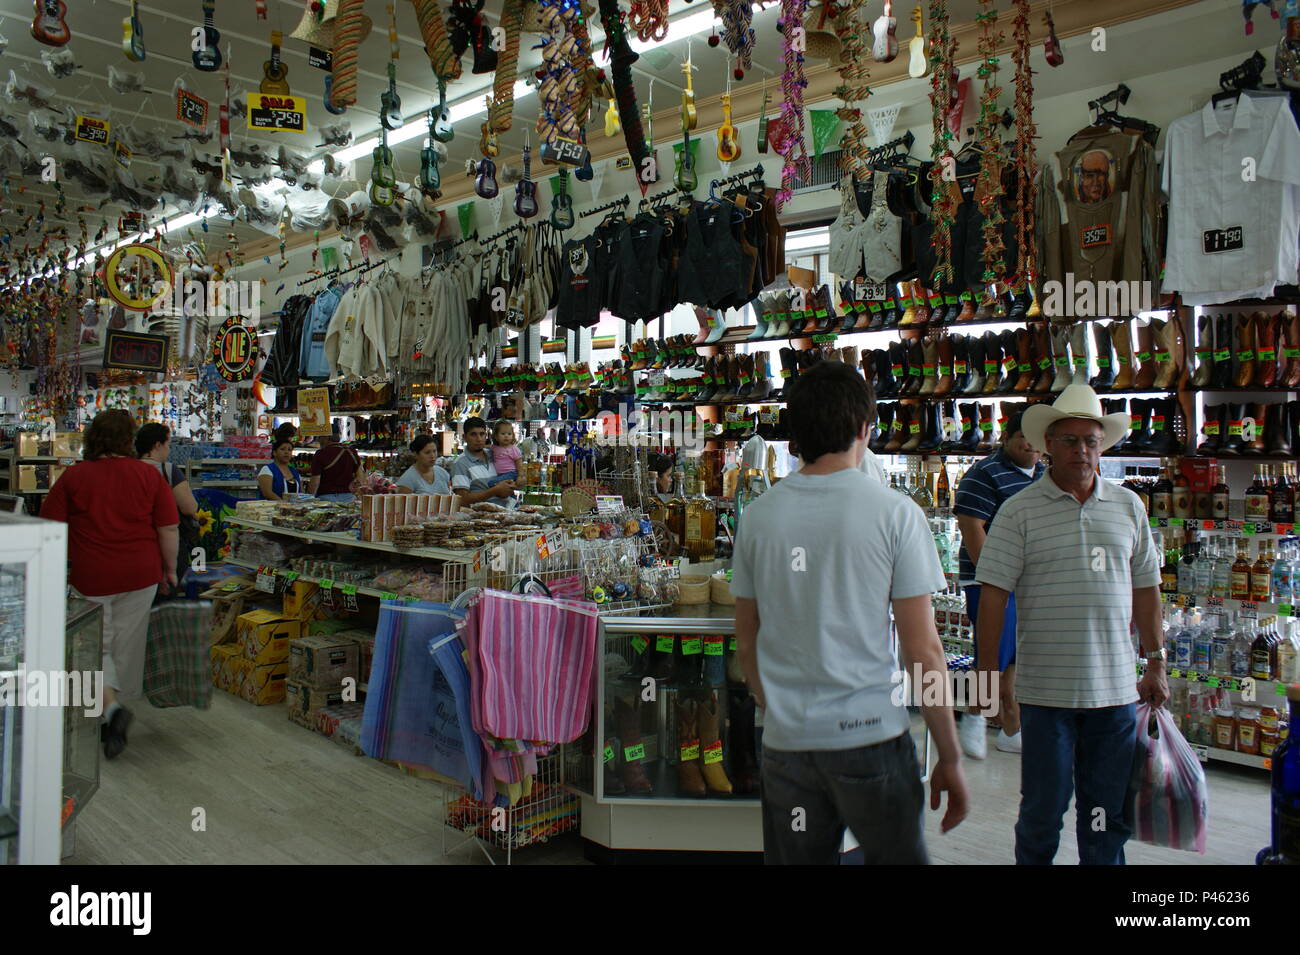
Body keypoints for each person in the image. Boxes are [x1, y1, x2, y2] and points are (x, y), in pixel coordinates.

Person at [730, 361, 968, 864]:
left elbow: (746, 640)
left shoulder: (759, 518)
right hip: (871, 736)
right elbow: (923, 652)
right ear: (864, 428)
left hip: (787, 745)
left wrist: (776, 710)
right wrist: (949, 752)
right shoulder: (896, 514)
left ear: (794, 435)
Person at [974, 384, 1167, 865]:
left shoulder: (1128, 508)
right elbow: (993, 596)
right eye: (1069, 440)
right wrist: (987, 674)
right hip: (1046, 694)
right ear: (1047, 446)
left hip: (1116, 692)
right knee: (1043, 810)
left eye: (1091, 441)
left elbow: (1146, 590)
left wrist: (1156, 662)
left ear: (1101, 446)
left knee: (1106, 816)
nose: (1081, 451)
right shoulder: (1018, 511)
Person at [41, 410, 179, 759]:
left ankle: (110, 710)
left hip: (93, 575)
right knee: (125, 643)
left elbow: (49, 528)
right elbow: (168, 528)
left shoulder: (75, 477)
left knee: (94, 647)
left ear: (92, 439)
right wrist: (171, 570)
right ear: (128, 440)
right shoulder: (148, 476)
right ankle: (111, 709)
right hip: (141, 574)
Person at [952, 410, 1044, 758]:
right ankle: (976, 716)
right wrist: (997, 577)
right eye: (1024, 437)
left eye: (1037, 438)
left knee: (1017, 657)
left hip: (1029, 579)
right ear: (1008, 438)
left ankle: (1011, 726)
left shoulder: (1043, 475)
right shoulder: (984, 473)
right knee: (992, 652)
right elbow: (972, 528)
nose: (1031, 445)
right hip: (987, 579)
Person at [136, 422, 200, 592]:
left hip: (135, 544)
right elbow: (189, 507)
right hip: (167, 545)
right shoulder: (168, 470)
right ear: (157, 445)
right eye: (167, 444)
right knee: (165, 596)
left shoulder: (129, 469)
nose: (169, 449)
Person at [449, 416, 516, 505]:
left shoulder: (494, 454)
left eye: (482, 434)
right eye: (473, 434)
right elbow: (462, 500)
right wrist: (494, 491)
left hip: (509, 510)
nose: (479, 439)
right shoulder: (460, 463)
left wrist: (512, 485)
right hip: (482, 516)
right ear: (464, 437)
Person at [308, 422, 363, 501]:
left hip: (326, 498)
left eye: (320, 437)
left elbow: (315, 482)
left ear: (327, 437)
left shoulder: (321, 454)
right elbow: (360, 478)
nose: (319, 440)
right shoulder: (351, 452)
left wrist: (309, 500)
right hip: (349, 497)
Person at [490, 419, 522, 484]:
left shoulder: (514, 449)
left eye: (509, 434)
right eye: (503, 434)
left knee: (491, 483)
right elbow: (487, 447)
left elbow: (519, 465)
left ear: (513, 436)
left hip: (511, 474)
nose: (506, 436)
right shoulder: (494, 447)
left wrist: (520, 476)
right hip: (499, 475)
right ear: (496, 436)